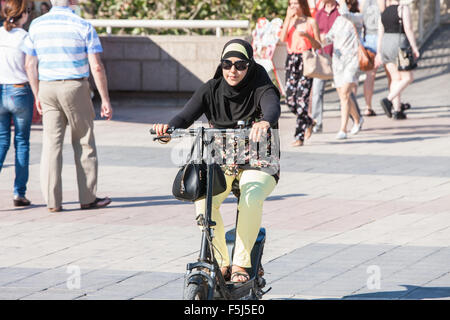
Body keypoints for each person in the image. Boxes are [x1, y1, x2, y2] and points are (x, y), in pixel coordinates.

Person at [152, 39, 281, 283]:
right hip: (221, 163)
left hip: (259, 161)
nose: (233, 70)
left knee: (250, 195)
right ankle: (222, 263)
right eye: (227, 64)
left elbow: (272, 107)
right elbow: (185, 116)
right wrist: (168, 128)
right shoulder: (211, 89)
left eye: (240, 65)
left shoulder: (261, 88)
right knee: (203, 201)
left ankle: (241, 265)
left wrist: (265, 122)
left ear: (250, 66)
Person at [22, 0, 113, 212]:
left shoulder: (36, 25)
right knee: (84, 142)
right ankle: (88, 197)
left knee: (51, 146)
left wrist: (37, 94)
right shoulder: (82, 26)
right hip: (75, 86)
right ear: (72, 1)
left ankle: (53, 202)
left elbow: (29, 64)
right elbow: (96, 66)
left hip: (46, 87)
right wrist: (105, 99)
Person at [0, 0, 33, 207]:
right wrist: (37, 93)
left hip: (0, 89)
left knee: (2, 141)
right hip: (19, 90)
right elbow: (30, 66)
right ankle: (19, 193)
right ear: (23, 14)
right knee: (21, 142)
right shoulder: (26, 37)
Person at [280, 0, 321, 147]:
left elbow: (318, 45)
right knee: (290, 100)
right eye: (290, 4)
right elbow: (282, 38)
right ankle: (309, 121)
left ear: (302, 5)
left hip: (306, 59)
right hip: (291, 60)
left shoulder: (311, 21)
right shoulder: (290, 21)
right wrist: (287, 19)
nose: (293, 7)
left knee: (302, 100)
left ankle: (299, 136)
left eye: (296, 3)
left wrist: (308, 37)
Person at [322, 1, 363, 139]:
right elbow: (329, 38)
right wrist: (320, 40)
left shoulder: (356, 18)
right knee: (343, 95)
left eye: (339, 5)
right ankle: (357, 119)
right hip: (338, 63)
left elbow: (346, 13)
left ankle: (343, 129)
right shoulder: (338, 20)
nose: (338, 8)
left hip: (352, 61)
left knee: (345, 93)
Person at [376, 0, 418, 120]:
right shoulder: (403, 9)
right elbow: (408, 28)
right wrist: (414, 47)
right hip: (399, 45)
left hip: (385, 45)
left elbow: (380, 33)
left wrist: (379, 52)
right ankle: (388, 100)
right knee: (408, 78)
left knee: (395, 79)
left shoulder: (383, 12)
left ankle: (397, 110)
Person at [310, 0, 340, 134]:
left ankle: (355, 117)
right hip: (322, 57)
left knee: (344, 91)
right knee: (317, 90)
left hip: (338, 56)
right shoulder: (319, 14)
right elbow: (314, 34)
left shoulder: (340, 12)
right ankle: (317, 123)